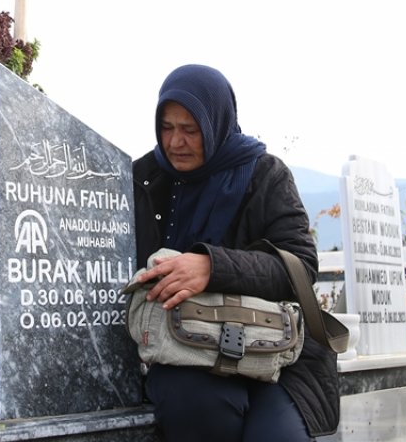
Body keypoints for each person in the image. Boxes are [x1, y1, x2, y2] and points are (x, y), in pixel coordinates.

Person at [130, 64, 340, 441]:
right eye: (167, 127)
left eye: (190, 130)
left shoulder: (265, 174)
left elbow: (301, 266)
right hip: (185, 351)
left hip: (277, 354)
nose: (176, 142)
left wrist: (213, 266)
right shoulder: (145, 179)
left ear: (216, 123)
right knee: (194, 405)